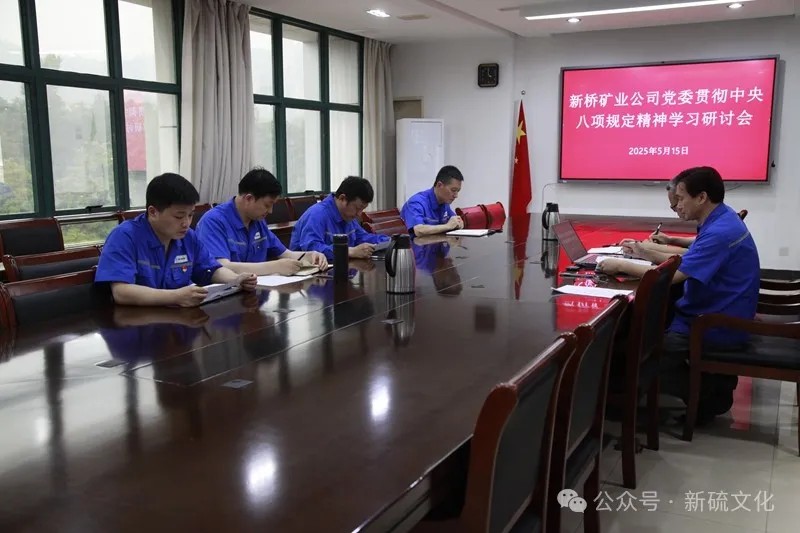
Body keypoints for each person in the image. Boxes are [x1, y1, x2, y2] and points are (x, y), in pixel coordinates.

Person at [597, 166, 760, 422]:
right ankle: (710, 389)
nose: (677, 205)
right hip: (719, 309)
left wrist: (619, 265)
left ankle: (707, 396)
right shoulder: (724, 217)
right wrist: (647, 250)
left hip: (714, 323)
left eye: (681, 198)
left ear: (701, 197)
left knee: (644, 355)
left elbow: (673, 275)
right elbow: (695, 252)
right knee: (645, 331)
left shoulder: (720, 232)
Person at [96, 173, 257, 307]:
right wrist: (175, 296)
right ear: (153, 212)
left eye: (190, 215)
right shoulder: (125, 236)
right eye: (179, 216)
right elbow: (121, 292)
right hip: (134, 326)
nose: (186, 223)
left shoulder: (188, 237)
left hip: (176, 322)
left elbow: (211, 269)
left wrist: (235, 279)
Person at [196, 168, 328, 276]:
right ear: (249, 199)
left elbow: (286, 254)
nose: (270, 211)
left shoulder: (257, 220)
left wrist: (309, 255)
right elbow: (222, 266)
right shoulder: (213, 221)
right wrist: (274, 266)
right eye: (267, 205)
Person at [290, 176, 389, 260]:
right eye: (357, 208)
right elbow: (312, 249)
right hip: (308, 272)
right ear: (342, 198)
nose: (359, 214)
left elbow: (362, 238)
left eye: (362, 209)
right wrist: (349, 251)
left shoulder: (348, 216)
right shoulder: (317, 214)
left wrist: (389, 241)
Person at [400, 165, 465, 236]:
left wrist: (458, 223)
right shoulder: (416, 202)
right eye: (453, 190)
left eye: (458, 191)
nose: (456, 196)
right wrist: (447, 226)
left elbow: (454, 221)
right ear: (439, 185)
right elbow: (418, 230)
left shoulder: (444, 203)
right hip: (414, 243)